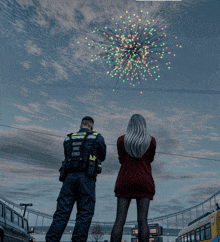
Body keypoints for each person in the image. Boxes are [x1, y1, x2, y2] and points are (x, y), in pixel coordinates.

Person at [46, 116, 106, 242]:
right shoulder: (97, 137)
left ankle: (51, 240)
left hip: (69, 178)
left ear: (80, 125)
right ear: (91, 126)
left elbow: (67, 154)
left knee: (61, 213)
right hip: (87, 178)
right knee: (84, 214)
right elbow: (102, 155)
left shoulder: (69, 138)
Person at [110, 114, 156, 242]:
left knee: (119, 220)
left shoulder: (121, 140)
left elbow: (121, 159)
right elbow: (150, 160)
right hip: (144, 181)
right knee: (143, 222)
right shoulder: (151, 141)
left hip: (125, 180)